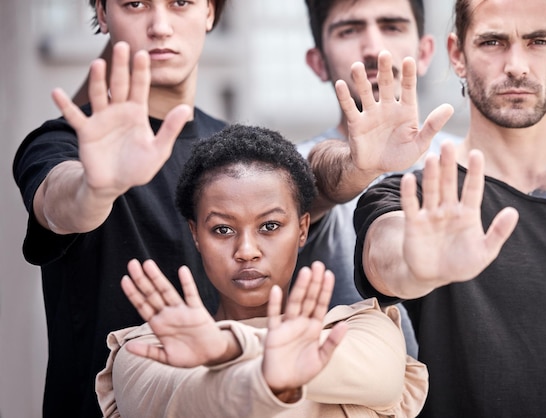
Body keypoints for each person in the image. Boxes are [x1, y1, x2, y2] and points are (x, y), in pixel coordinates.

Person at [315, 0, 546, 416]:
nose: (516, 65)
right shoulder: (411, 192)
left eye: (537, 41)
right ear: (457, 54)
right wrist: (414, 267)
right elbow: (386, 254)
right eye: (493, 41)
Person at [95, 124, 428, 417]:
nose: (247, 252)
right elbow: (196, 402)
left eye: (269, 226)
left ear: (301, 230)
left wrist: (230, 349)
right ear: (196, 234)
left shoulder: (364, 328)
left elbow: (381, 380)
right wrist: (267, 376)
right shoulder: (143, 351)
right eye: (223, 229)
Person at [12, 0, 229, 416]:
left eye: (181, 2)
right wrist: (96, 188)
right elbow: (60, 204)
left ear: (210, 11)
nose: (160, 26)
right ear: (103, 13)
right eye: (135, 3)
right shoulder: (60, 143)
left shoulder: (243, 152)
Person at [297, 0, 461, 357]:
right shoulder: (282, 169)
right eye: (349, 30)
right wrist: (360, 166)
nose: (373, 48)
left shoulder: (472, 164)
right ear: (317, 62)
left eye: (392, 26)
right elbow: (310, 183)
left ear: (425, 52)